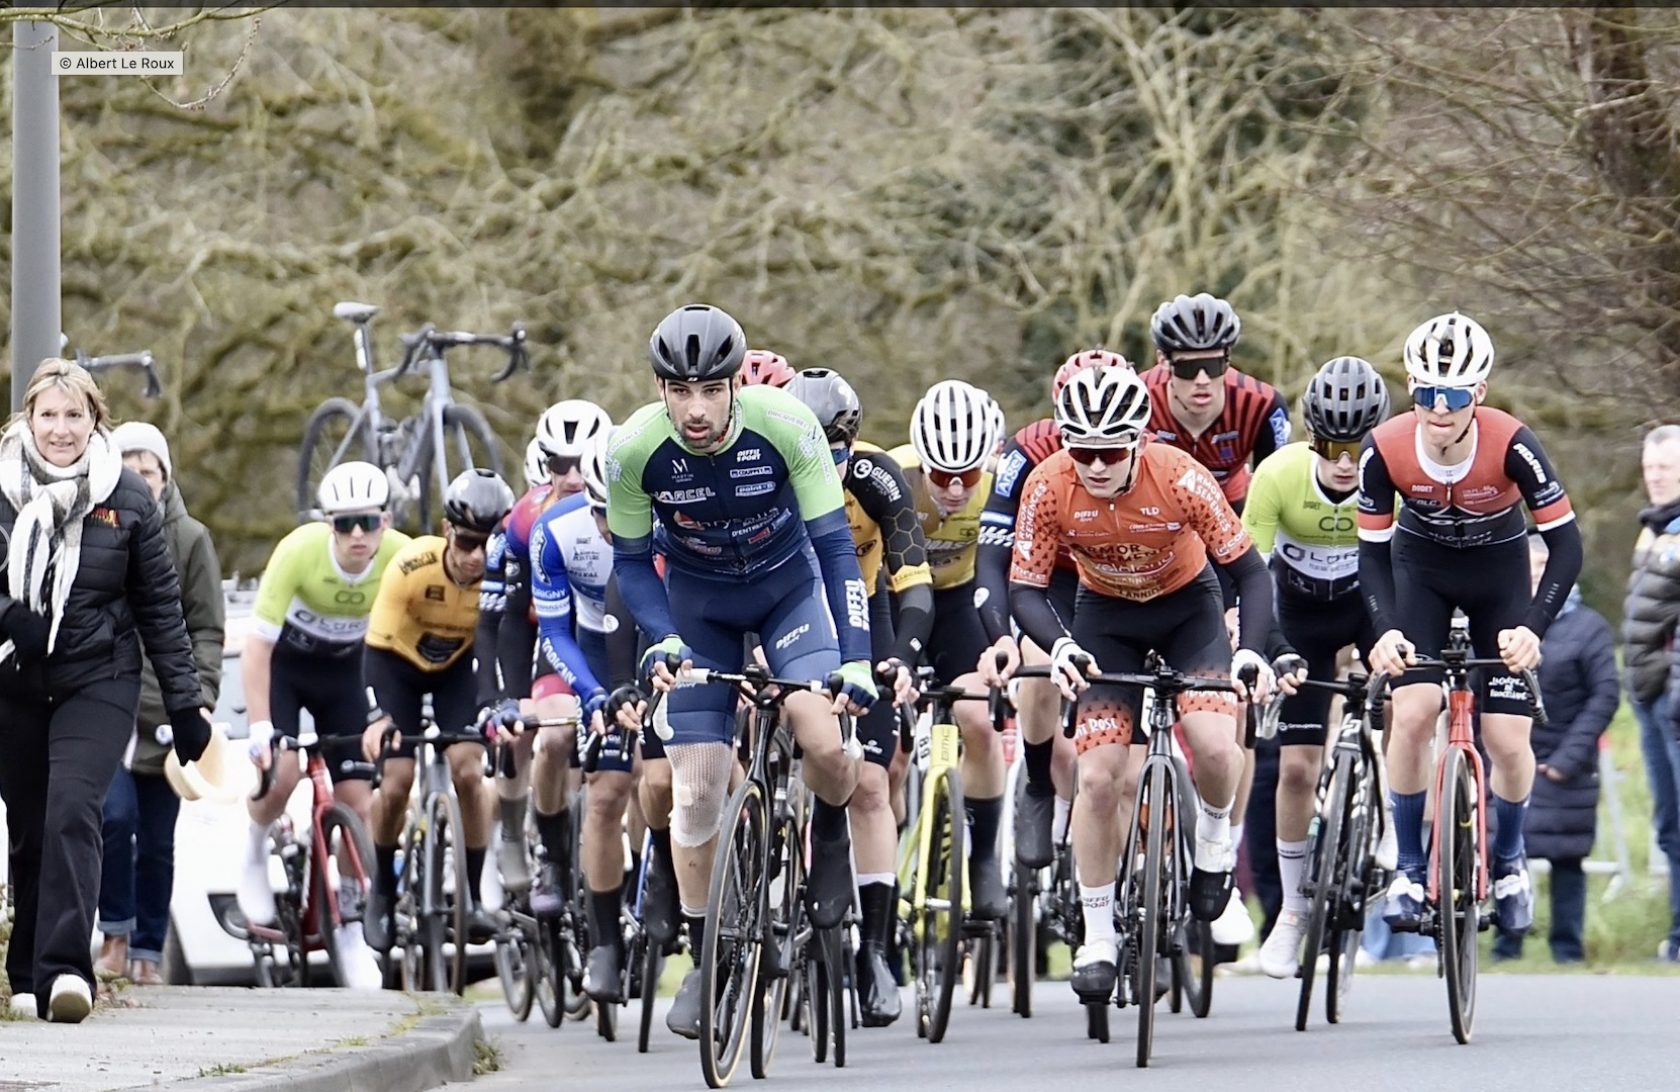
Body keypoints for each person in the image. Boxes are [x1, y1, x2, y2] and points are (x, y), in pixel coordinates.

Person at [607, 303, 890, 1039]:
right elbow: (631, 566)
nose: (696, 410)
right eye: (680, 391)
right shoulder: (633, 450)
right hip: (699, 607)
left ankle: (829, 833)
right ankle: (707, 954)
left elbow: (836, 549)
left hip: (787, 591)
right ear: (660, 389)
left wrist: (857, 658)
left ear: (737, 383)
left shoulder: (786, 426)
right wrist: (662, 639)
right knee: (697, 788)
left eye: (710, 390)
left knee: (824, 740)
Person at [1007, 364, 1279, 1002]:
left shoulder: (1180, 475)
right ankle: (1099, 935)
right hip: (1105, 619)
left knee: (1215, 746)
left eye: (1110, 452)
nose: (1097, 466)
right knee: (1099, 779)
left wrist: (1251, 651)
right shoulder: (1048, 485)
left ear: (1138, 442)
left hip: (1188, 610)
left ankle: (1213, 842)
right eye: (1083, 452)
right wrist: (1061, 645)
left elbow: (1251, 573)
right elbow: (1027, 588)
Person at [1359, 312, 1583, 937]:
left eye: (1454, 396)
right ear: (1412, 386)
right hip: (1420, 572)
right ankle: (1409, 868)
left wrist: (1534, 626)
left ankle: (1509, 862)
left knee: (1507, 738)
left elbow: (1567, 546)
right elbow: (1370, 555)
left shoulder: (1513, 443)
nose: (1439, 408)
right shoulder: (1385, 447)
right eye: (1428, 392)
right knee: (1412, 712)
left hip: (1498, 577)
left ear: (1478, 393)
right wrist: (1384, 630)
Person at [0, 359, 208, 1023]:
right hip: (15, 681)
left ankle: (66, 971)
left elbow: (161, 608)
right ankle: (26, 971)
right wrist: (10, 615)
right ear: (29, 419)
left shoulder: (128, 495)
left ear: (96, 421)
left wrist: (186, 702)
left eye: (75, 415)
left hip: (100, 676)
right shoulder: (1, 487)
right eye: (49, 415)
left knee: (73, 809)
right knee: (30, 826)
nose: (61, 429)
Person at [787, 364, 933, 1025]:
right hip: (786, 607)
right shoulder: (764, 473)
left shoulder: (876, 477)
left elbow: (913, 578)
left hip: (860, 608)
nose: (829, 465)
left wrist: (902, 656)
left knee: (872, 784)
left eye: (838, 451)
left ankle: (873, 951)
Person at [1242, 357, 1393, 977]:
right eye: (1332, 446)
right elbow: (1250, 574)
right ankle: (1294, 908)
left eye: (1357, 448)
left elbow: (1412, 569)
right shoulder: (1277, 475)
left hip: (1370, 607)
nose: (1346, 463)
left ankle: (1394, 829)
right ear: (1311, 438)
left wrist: (1395, 639)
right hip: (1299, 618)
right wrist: (1273, 646)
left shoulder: (1394, 475)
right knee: (1297, 769)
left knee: (1407, 701)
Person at [236, 461, 410, 980]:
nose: (357, 535)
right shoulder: (298, 552)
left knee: (359, 801)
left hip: (348, 675)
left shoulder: (401, 556)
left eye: (368, 522)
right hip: (288, 669)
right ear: (328, 524)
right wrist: (261, 728)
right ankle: (254, 846)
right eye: (344, 523)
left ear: (385, 522)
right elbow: (256, 648)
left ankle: (352, 925)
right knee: (284, 772)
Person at [979, 350, 1126, 879]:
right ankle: (1039, 782)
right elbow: (992, 552)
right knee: (1037, 665)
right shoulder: (1029, 449)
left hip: (1127, 576)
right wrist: (1000, 635)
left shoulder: (1153, 449)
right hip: (1057, 577)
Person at [361, 468, 517, 952]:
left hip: (457, 671)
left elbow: (506, 646)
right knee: (397, 780)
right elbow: (373, 649)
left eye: (489, 545)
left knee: (469, 771)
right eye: (468, 542)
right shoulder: (412, 566)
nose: (478, 557)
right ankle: (382, 887)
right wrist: (378, 717)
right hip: (398, 666)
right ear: (447, 531)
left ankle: (474, 894)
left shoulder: (504, 575)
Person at [95, 423, 225, 986]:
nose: (138, 479)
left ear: (165, 478)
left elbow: (207, 629)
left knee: (157, 842)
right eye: (127, 468)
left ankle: (149, 950)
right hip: (111, 706)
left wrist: (201, 699)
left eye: (147, 470)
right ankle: (114, 935)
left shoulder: (191, 540)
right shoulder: (98, 529)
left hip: (168, 717)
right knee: (113, 818)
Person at [888, 379, 1010, 920]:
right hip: (896, 600)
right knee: (889, 755)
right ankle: (883, 869)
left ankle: (982, 859)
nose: (957, 489)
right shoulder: (892, 476)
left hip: (961, 602)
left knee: (978, 721)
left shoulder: (998, 488)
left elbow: (1001, 574)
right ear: (921, 462)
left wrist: (1002, 639)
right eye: (941, 476)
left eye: (969, 476)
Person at [485, 400, 610, 923]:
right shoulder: (527, 520)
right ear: (544, 464)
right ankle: (552, 858)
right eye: (561, 464)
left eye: (584, 461)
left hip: (621, 640)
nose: (574, 477)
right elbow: (511, 617)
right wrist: (510, 696)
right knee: (554, 738)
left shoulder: (634, 502)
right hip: (560, 642)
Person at [1491, 534, 1617, 963]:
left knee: (1567, 858)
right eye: (1524, 569)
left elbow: (1604, 696)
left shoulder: (1589, 628)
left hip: (1563, 766)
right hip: (1508, 761)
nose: (1532, 578)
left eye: (1541, 569)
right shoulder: (1495, 626)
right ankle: (1506, 943)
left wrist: (1567, 760)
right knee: (1506, 850)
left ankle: (1567, 949)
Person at [1622, 424, 1680, 962]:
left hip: (1672, 699)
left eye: (1665, 468)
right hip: (1648, 697)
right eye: (1649, 468)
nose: (1655, 477)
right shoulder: (1654, 530)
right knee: (1669, 825)